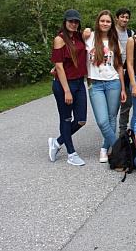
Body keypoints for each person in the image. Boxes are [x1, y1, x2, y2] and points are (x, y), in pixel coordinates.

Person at [85, 10, 127, 163]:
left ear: (111, 24)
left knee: (111, 118)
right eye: (102, 21)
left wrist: (123, 88)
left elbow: (119, 66)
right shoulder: (89, 37)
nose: (105, 23)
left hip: (113, 83)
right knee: (102, 121)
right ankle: (119, 149)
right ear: (98, 22)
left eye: (108, 21)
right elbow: (75, 51)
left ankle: (104, 148)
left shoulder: (114, 41)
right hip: (95, 84)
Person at [48, 9, 88, 166]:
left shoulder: (77, 37)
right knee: (66, 119)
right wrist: (66, 90)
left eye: (76, 21)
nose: (73, 24)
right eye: (71, 21)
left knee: (81, 120)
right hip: (64, 85)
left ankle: (57, 142)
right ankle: (71, 153)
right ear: (65, 22)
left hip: (79, 83)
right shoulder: (60, 39)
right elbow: (58, 66)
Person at [114, 8, 134, 135]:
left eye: (127, 17)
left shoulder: (130, 33)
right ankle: (110, 129)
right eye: (122, 17)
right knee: (113, 105)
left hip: (126, 71)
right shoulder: (111, 32)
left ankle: (122, 131)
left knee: (126, 103)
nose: (124, 19)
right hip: (112, 70)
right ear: (117, 18)